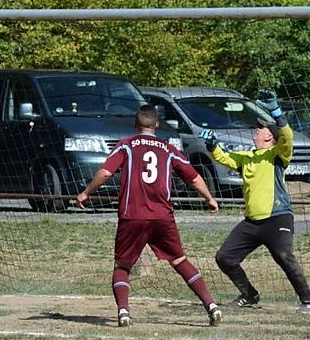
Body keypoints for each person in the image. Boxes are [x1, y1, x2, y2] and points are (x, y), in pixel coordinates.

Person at [76, 105, 222, 327]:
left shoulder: (126, 145)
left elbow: (105, 173)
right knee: (179, 260)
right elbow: (193, 178)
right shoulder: (168, 148)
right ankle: (211, 306)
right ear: (157, 125)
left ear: (135, 124)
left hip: (132, 215)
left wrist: (86, 192)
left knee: (123, 265)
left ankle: (123, 312)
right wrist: (209, 198)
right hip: (162, 216)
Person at [200, 89, 310, 312]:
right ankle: (250, 295)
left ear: (269, 137)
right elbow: (223, 157)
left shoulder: (278, 155)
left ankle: (308, 302)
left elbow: (287, 137)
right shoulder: (247, 157)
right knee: (224, 258)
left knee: (284, 256)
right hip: (252, 222)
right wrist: (212, 144)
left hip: (277, 217)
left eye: (261, 128)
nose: (256, 130)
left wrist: (277, 112)